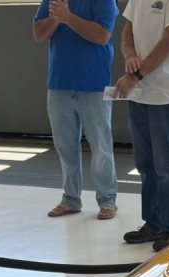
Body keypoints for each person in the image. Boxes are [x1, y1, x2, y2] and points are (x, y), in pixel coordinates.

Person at [115, 0, 169, 252]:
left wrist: (136, 75)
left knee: (166, 166)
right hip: (139, 94)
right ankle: (154, 224)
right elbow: (128, 30)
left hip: (166, 93)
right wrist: (130, 56)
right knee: (146, 166)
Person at [33, 0, 119, 221]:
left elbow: (102, 36)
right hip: (59, 85)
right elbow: (38, 33)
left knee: (101, 146)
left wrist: (68, 17)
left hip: (94, 86)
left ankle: (107, 200)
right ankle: (71, 199)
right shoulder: (53, 1)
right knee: (65, 147)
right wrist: (57, 16)